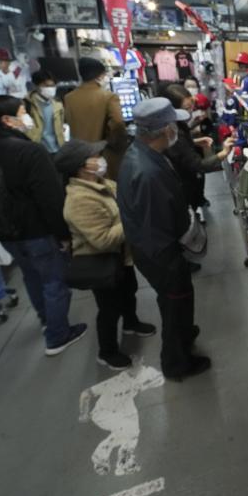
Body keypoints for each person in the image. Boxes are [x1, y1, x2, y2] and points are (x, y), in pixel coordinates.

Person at [0, 95, 86, 355]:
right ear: (7, 120)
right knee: (54, 280)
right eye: (22, 112)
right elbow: (50, 197)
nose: (27, 117)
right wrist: (64, 234)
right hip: (36, 229)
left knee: (31, 276)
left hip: (3, 230)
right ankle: (58, 335)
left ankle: (46, 321)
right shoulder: (29, 150)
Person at [116, 98, 209, 381]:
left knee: (178, 300)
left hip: (154, 249)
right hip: (161, 254)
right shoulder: (148, 172)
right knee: (174, 303)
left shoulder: (143, 154)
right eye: (173, 125)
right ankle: (176, 363)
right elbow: (157, 224)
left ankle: (184, 332)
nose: (177, 130)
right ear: (163, 129)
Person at [55, 139, 156, 370]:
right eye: (95, 156)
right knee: (109, 309)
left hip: (122, 256)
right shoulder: (79, 200)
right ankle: (107, 351)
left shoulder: (102, 183)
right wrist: (133, 219)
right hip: (102, 262)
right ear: (82, 166)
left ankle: (131, 323)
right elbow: (102, 239)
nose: (101, 159)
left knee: (128, 292)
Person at [162, 84, 235, 230]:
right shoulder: (171, 128)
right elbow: (199, 165)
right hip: (182, 181)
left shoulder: (175, 123)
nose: (190, 111)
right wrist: (223, 153)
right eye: (186, 108)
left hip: (185, 177)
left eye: (191, 106)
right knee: (188, 206)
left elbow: (179, 142)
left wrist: (194, 141)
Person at [64, 57, 128, 179]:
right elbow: (118, 122)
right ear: (100, 75)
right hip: (104, 156)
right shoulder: (108, 97)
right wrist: (116, 143)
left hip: (80, 158)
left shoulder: (69, 98)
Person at [26, 70, 65, 153]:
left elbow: (61, 125)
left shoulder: (58, 103)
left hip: (58, 148)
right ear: (36, 86)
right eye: (46, 86)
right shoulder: (26, 104)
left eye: (53, 85)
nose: (50, 89)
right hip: (38, 150)